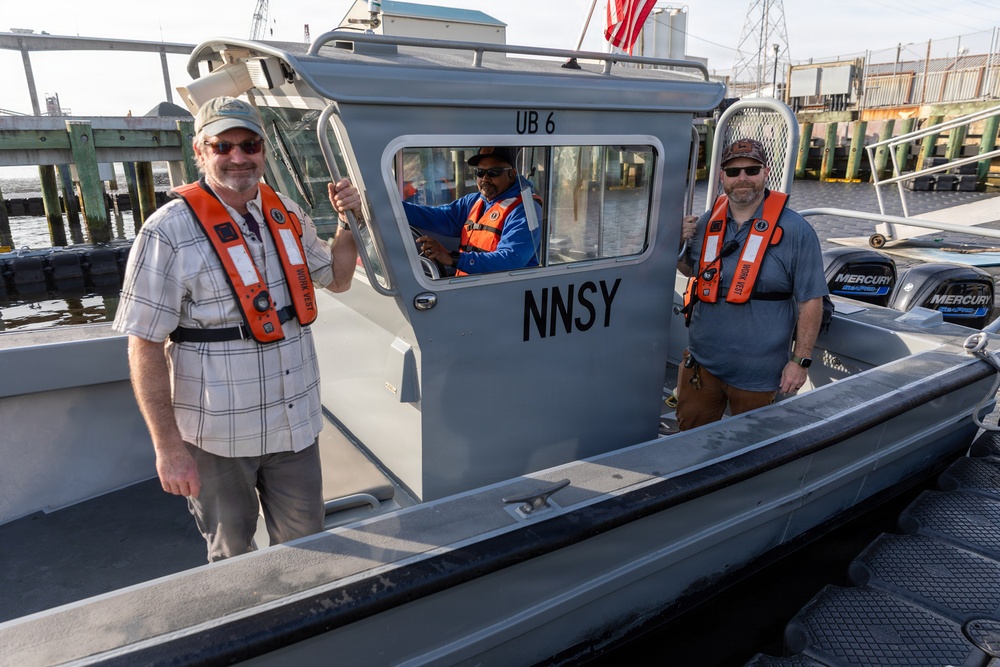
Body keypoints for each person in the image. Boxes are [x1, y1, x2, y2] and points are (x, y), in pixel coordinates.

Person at [113, 96, 362, 561]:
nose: (238, 157)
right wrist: (168, 449)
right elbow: (144, 344)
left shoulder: (284, 210)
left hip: (295, 425)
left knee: (309, 543)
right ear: (200, 152)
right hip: (218, 436)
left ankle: (304, 622)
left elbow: (338, 278)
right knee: (232, 554)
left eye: (249, 144)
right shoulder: (166, 231)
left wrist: (348, 223)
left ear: (263, 150)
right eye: (222, 145)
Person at [675, 138, 829, 431]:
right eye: (733, 172)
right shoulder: (708, 222)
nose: (742, 178)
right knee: (687, 442)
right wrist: (675, 242)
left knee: (752, 450)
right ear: (722, 177)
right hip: (702, 364)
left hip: (759, 376)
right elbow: (692, 269)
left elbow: (812, 300)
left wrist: (800, 361)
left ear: (765, 172)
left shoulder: (796, 231)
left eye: (751, 170)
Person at [405, 146, 542, 275]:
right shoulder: (474, 200)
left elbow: (512, 259)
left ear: (512, 174)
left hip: (501, 292)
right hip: (470, 286)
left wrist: (452, 258)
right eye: (479, 172)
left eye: (493, 172)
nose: (485, 178)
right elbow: (437, 217)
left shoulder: (526, 209)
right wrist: (395, 208)